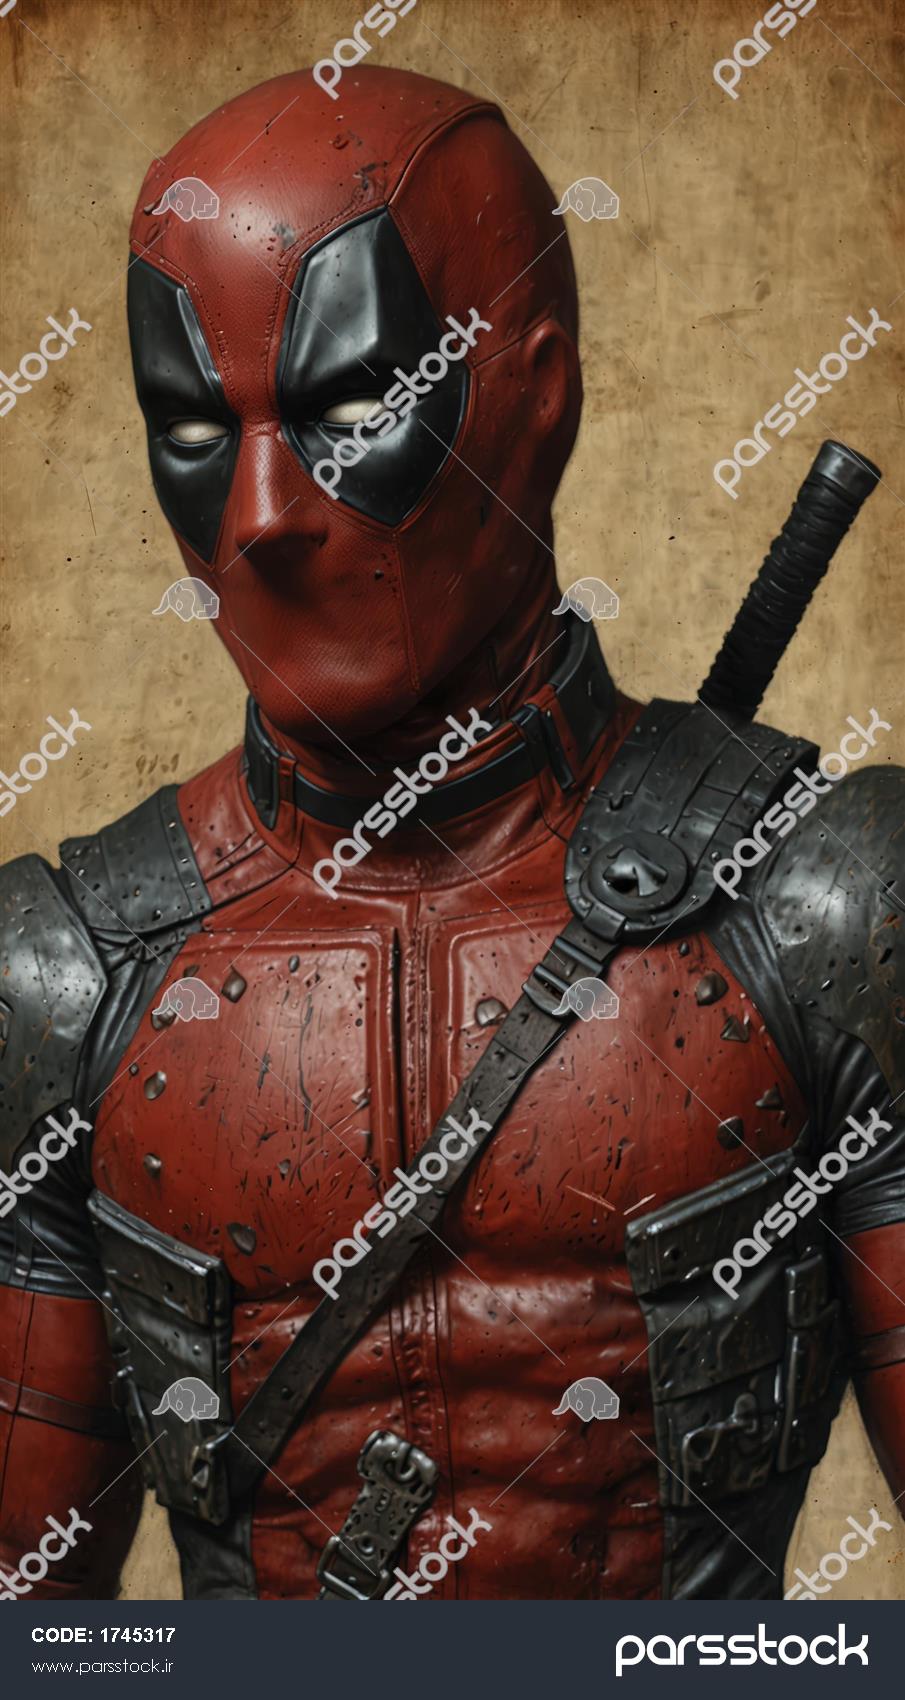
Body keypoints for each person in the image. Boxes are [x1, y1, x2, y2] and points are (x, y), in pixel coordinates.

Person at [1, 64, 902, 1602]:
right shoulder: (62, 977)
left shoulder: (822, 902)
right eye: (195, 428)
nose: (260, 516)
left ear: (535, 395)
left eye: (355, 407)